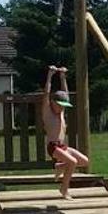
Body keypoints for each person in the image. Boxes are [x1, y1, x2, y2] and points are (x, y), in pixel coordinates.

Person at [38, 65, 90, 197]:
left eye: (64, 107)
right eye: (60, 106)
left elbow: (65, 93)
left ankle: (60, 167)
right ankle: (64, 189)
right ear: (53, 103)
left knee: (84, 161)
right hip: (53, 147)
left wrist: (63, 77)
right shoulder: (48, 112)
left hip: (62, 146)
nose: (62, 109)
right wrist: (50, 75)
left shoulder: (60, 113)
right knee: (72, 162)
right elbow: (46, 94)